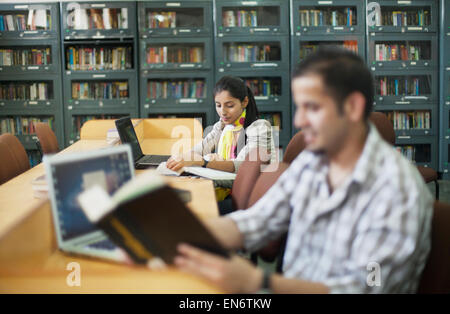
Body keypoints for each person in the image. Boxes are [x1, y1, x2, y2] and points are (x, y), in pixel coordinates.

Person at [174, 48, 433, 293]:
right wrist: (168, 240)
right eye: (300, 107)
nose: (299, 121)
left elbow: (366, 286)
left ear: (353, 107)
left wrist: (257, 281)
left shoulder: (396, 189)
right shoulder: (313, 163)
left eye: (313, 107)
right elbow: (256, 222)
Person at [166, 76, 277, 204]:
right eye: (218, 105)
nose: (222, 112)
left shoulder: (260, 127)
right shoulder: (223, 126)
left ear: (244, 102)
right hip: (232, 192)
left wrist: (204, 162)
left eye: (229, 106)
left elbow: (242, 168)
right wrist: (181, 158)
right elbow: (199, 150)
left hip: (253, 199)